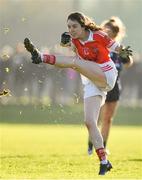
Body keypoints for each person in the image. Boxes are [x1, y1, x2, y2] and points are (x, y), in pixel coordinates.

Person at [23, 12, 132, 175]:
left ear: (83, 26)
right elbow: (64, 45)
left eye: (74, 26)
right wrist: (63, 41)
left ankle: (40, 57)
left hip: (107, 74)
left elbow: (117, 47)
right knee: (89, 122)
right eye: (68, 27)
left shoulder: (98, 35)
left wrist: (124, 52)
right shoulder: (73, 40)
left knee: (75, 63)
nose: (71, 29)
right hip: (92, 82)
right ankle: (104, 161)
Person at [87, 16, 133, 155]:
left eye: (110, 30)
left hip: (114, 87)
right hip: (99, 85)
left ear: (115, 33)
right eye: (105, 28)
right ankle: (91, 144)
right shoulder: (98, 45)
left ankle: (104, 146)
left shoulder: (119, 48)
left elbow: (128, 63)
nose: (106, 32)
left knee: (108, 118)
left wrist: (126, 55)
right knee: (96, 118)